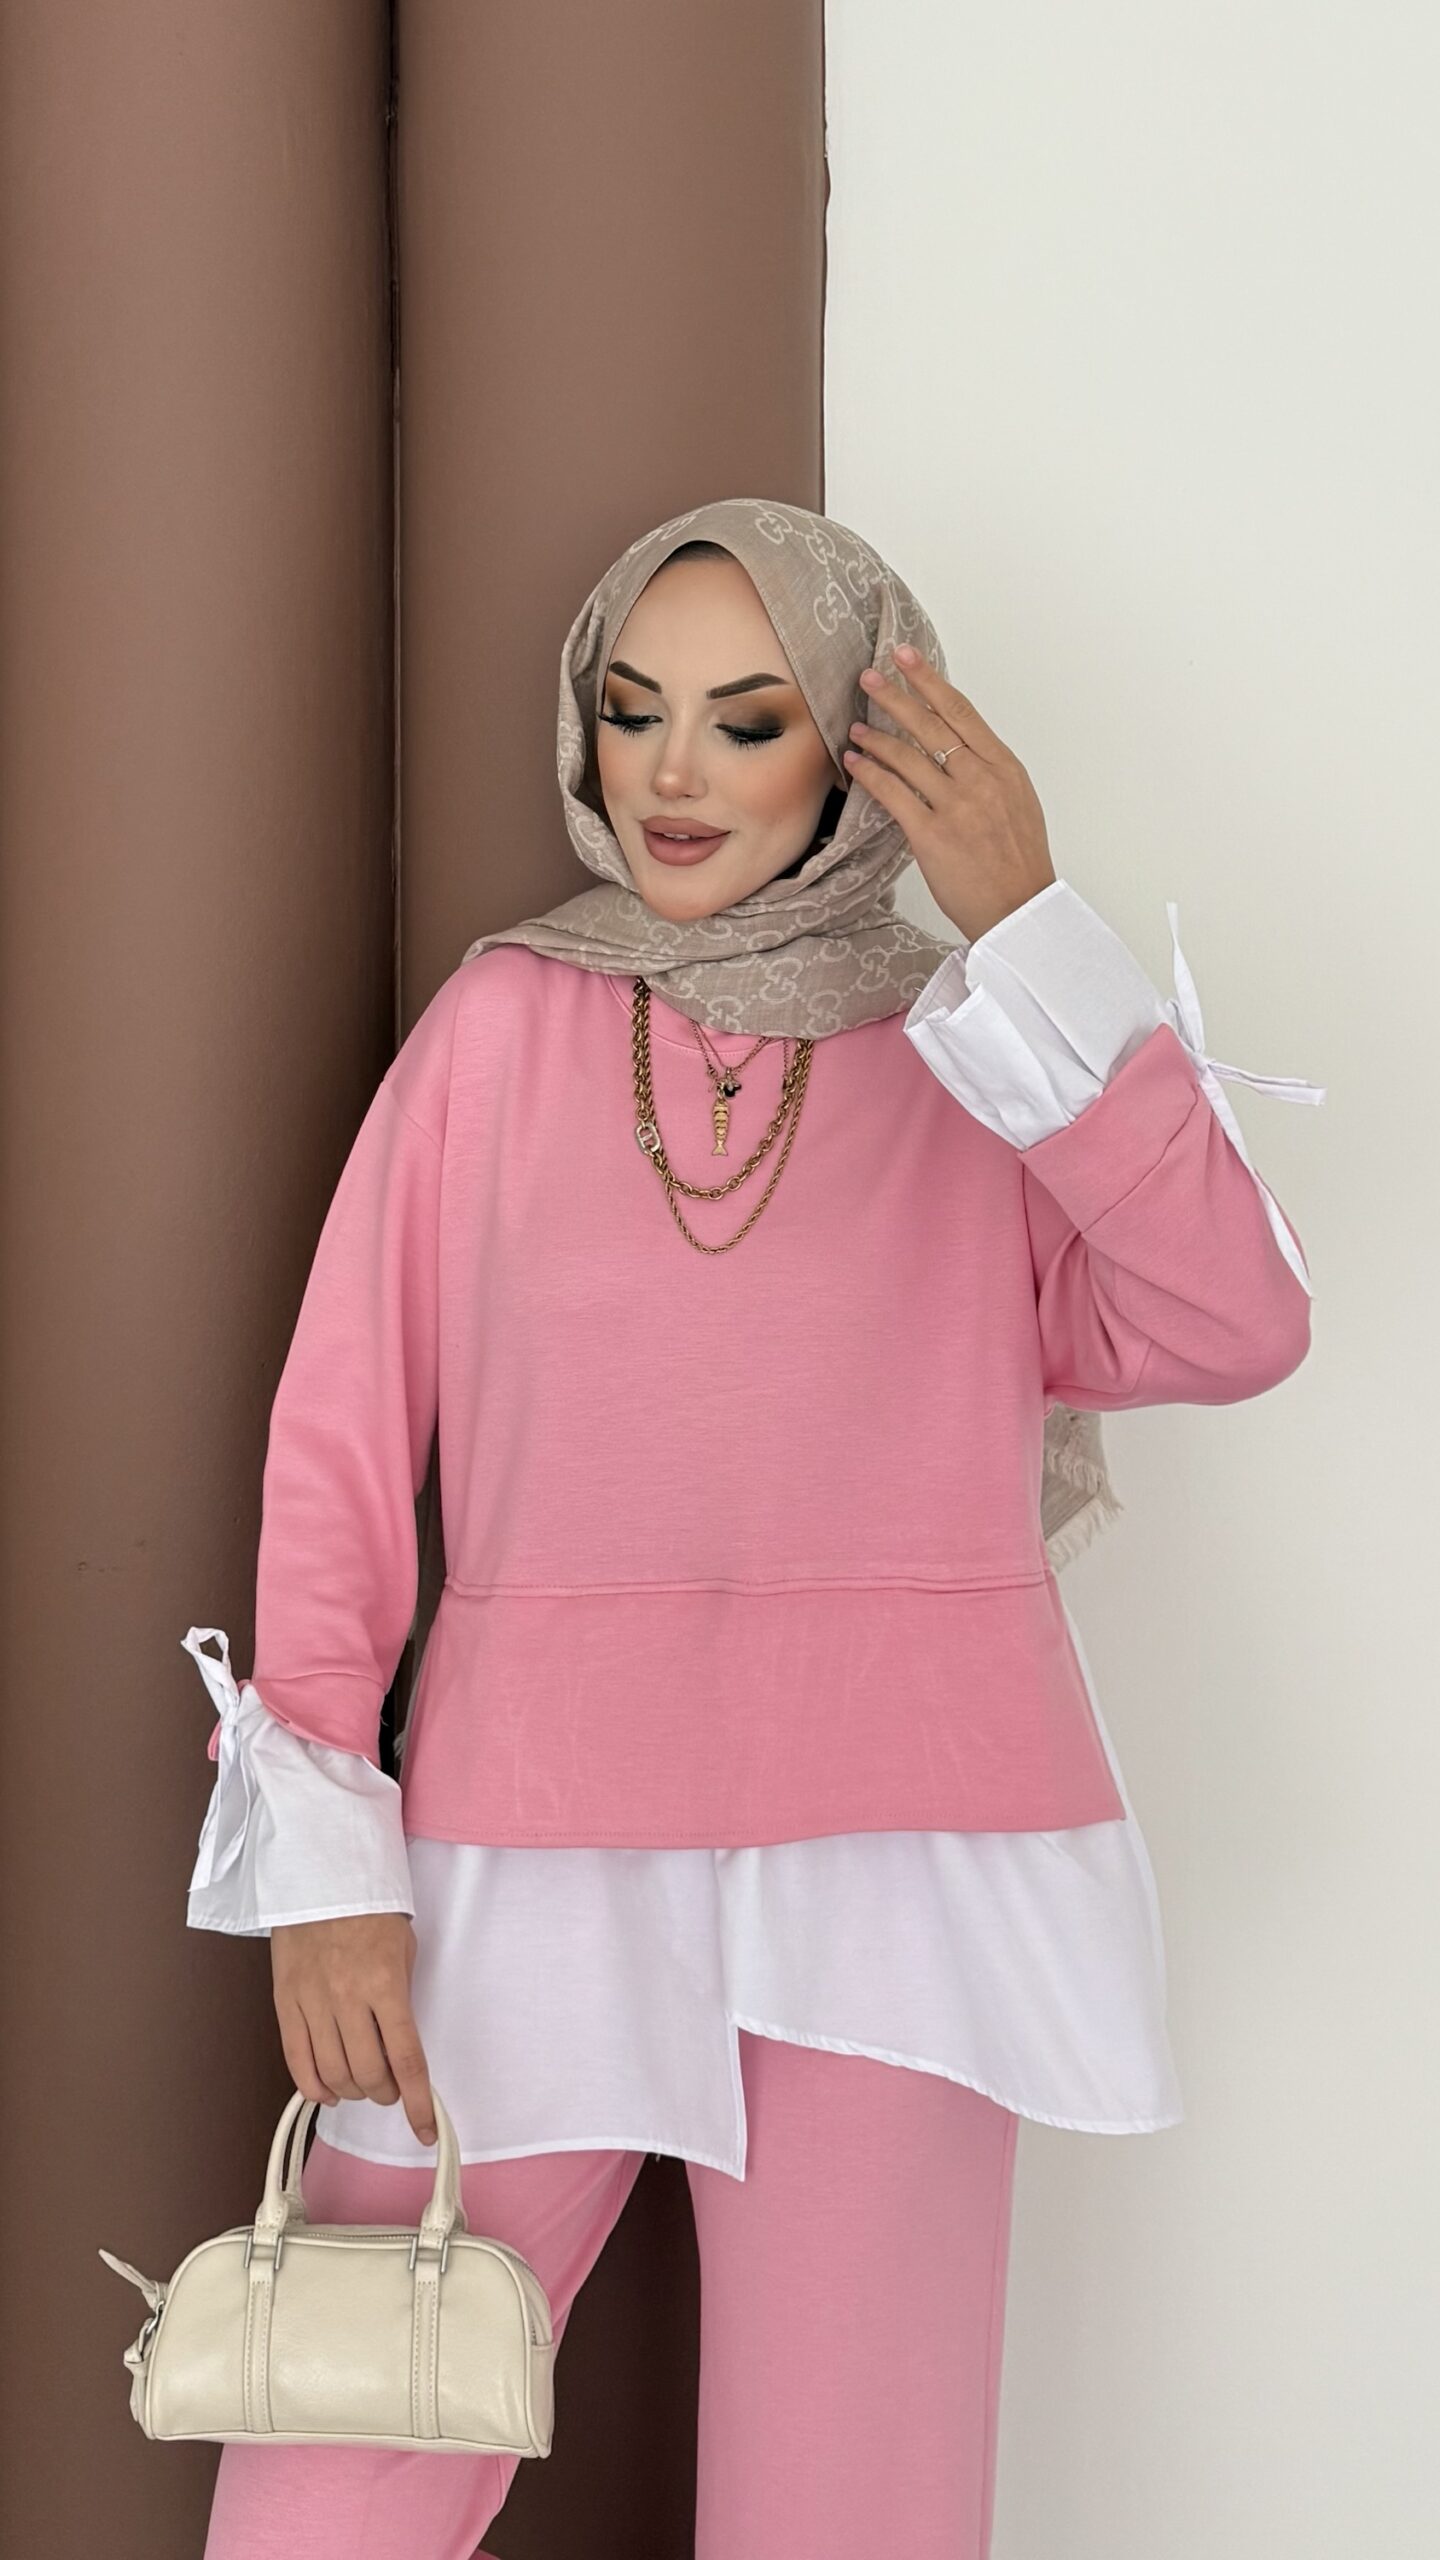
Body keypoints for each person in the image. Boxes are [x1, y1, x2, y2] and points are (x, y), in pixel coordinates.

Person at [183, 496, 1320, 2560]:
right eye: (633, 713)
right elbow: (338, 1446)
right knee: (326, 2498)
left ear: (858, 749)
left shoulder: (983, 1058)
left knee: (850, 2518)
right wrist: (325, 1861)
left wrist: (1031, 930)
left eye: (748, 717)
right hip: (521, 1848)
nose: (675, 773)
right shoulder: (499, 1029)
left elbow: (1232, 1321)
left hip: (904, 1862)